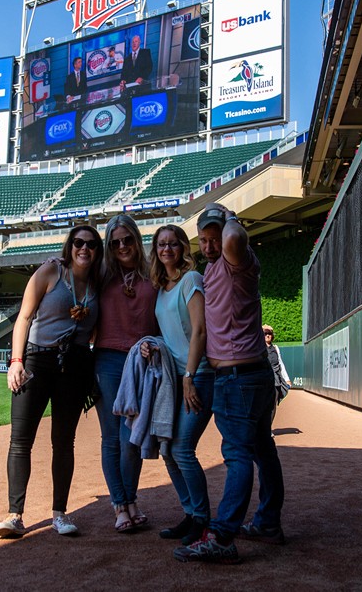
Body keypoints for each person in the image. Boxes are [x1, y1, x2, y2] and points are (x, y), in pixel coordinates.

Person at [173, 203, 286, 564]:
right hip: (246, 377)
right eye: (203, 240)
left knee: (237, 455)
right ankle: (267, 524)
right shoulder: (212, 268)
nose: (208, 245)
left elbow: (236, 236)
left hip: (238, 378)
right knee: (262, 449)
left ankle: (222, 538)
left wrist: (230, 215)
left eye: (214, 237)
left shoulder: (239, 259)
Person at [0, 225, 103, 539]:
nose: (85, 249)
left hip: (75, 364)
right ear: (70, 246)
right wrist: (16, 362)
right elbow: (24, 318)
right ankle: (15, 515)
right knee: (21, 439)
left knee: (63, 442)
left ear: (98, 250)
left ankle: (59, 513)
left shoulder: (98, 284)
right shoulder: (50, 271)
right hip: (37, 360)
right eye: (79, 243)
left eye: (92, 244)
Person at [144, 224, 214, 546]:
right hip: (174, 380)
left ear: (183, 247)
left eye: (173, 244)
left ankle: (202, 521)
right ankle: (191, 514)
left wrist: (189, 377)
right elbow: (171, 335)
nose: (167, 249)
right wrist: (152, 345)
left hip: (198, 375)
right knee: (169, 450)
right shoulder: (161, 288)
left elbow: (199, 331)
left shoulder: (191, 280)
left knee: (183, 449)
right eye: (161, 244)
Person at [94, 214, 156, 533]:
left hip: (141, 363)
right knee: (111, 439)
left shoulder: (153, 275)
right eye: (115, 242)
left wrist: (154, 346)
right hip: (106, 361)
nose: (121, 246)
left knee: (131, 436)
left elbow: (163, 322)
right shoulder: (101, 275)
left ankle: (130, 498)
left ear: (136, 239)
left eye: (127, 239)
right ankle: (121, 505)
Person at [263, 324, 292, 427]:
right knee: (262, 405)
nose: (267, 335)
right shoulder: (258, 348)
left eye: (269, 333)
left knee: (272, 406)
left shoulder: (275, 348)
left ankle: (267, 428)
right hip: (263, 379)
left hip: (275, 380)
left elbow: (280, 364)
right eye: (265, 333)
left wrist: (287, 379)